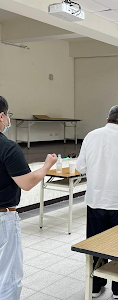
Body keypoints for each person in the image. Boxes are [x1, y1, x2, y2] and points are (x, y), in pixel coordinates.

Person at [76, 105, 118, 299]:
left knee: (96, 243)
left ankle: (95, 286)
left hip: (96, 200)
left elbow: (81, 167)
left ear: (107, 120)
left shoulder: (91, 136)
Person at [0, 96, 58, 300]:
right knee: (8, 277)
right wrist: (47, 165)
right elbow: (27, 183)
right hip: (2, 218)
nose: (8, 120)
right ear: (2, 116)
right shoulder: (8, 147)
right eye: (8, 115)